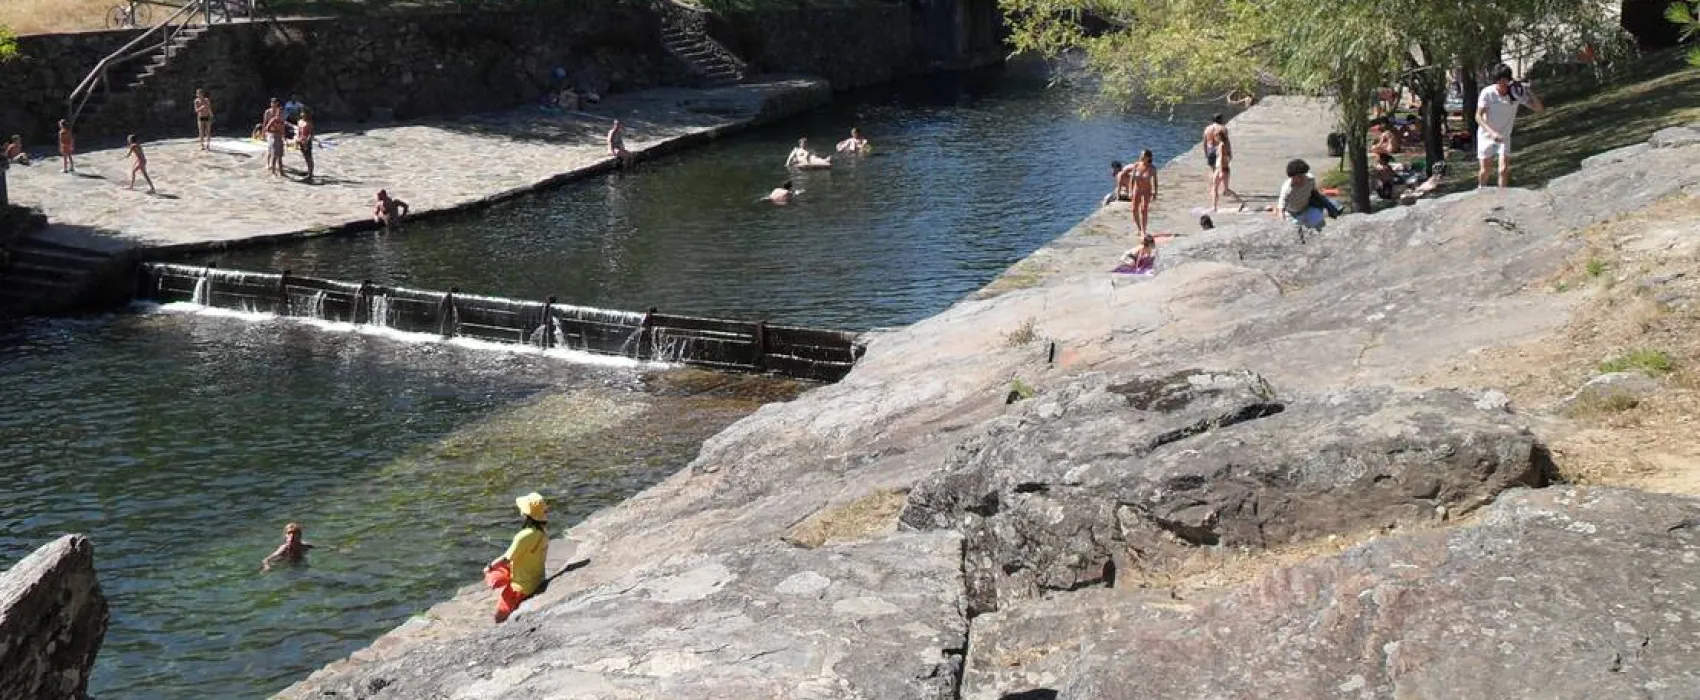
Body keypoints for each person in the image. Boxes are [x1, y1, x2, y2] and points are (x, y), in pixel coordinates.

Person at [485, 492, 549, 623]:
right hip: (538, 578)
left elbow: (506, 559)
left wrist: (489, 567)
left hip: (521, 587)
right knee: (502, 573)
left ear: (526, 515)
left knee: (498, 618)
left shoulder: (523, 536)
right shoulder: (542, 532)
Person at [1476, 63, 1543, 188]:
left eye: (1505, 80)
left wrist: (1528, 90)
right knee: (1485, 170)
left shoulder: (1515, 93)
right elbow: (1478, 116)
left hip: (1504, 136)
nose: (1502, 84)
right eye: (1499, 81)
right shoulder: (1487, 93)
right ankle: (1481, 190)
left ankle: (1502, 196)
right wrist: (1491, 133)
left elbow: (1538, 109)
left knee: (1503, 169)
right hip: (1487, 135)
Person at [1276, 158, 1329, 230]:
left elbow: (1314, 192)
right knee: (1295, 227)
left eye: (1302, 176)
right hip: (1291, 213)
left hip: (1306, 209)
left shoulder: (1310, 179)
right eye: (1297, 177)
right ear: (1292, 177)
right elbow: (1281, 207)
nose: (1301, 179)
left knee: (1320, 224)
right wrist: (1282, 223)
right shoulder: (1287, 188)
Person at [1124, 150, 1159, 238]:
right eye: (1141, 155)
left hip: (1146, 190)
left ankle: (1144, 230)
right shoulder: (1136, 165)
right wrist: (1130, 191)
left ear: (1148, 157)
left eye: (1143, 155)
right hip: (1137, 189)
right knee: (1134, 209)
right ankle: (1139, 228)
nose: (1141, 156)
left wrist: (1155, 193)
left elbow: (1155, 181)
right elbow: (1132, 179)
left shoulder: (1152, 168)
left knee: (1144, 210)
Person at [1211, 131, 1246, 212]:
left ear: (1219, 137)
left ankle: (1214, 207)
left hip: (1221, 168)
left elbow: (1222, 158)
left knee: (1216, 188)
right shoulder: (1226, 144)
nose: (1215, 138)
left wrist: (1220, 170)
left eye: (1216, 136)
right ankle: (1241, 202)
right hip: (1225, 168)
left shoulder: (1221, 145)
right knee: (1225, 189)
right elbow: (1229, 156)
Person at [263, 98, 287, 176]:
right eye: (272, 102)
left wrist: (284, 136)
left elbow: (283, 125)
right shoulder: (268, 112)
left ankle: (280, 169)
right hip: (272, 134)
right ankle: (269, 165)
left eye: (275, 102)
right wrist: (264, 132)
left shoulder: (279, 112)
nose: (273, 104)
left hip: (279, 136)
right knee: (270, 149)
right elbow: (265, 123)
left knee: (279, 153)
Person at [1202, 114, 1225, 184]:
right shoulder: (1221, 128)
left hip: (1210, 150)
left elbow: (1204, 142)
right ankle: (1219, 188)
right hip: (1219, 150)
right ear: (1220, 119)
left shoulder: (1207, 129)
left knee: (1213, 170)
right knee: (1221, 170)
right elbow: (1225, 141)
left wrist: (1206, 153)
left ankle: (1212, 185)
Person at [295, 108, 316, 182]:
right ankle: (309, 171)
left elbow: (311, 133)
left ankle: (310, 174)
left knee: (309, 157)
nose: (302, 114)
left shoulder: (309, 123)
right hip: (301, 141)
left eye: (304, 113)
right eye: (302, 113)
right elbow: (298, 131)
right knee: (305, 157)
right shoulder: (299, 122)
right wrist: (297, 139)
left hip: (307, 142)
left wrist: (307, 141)